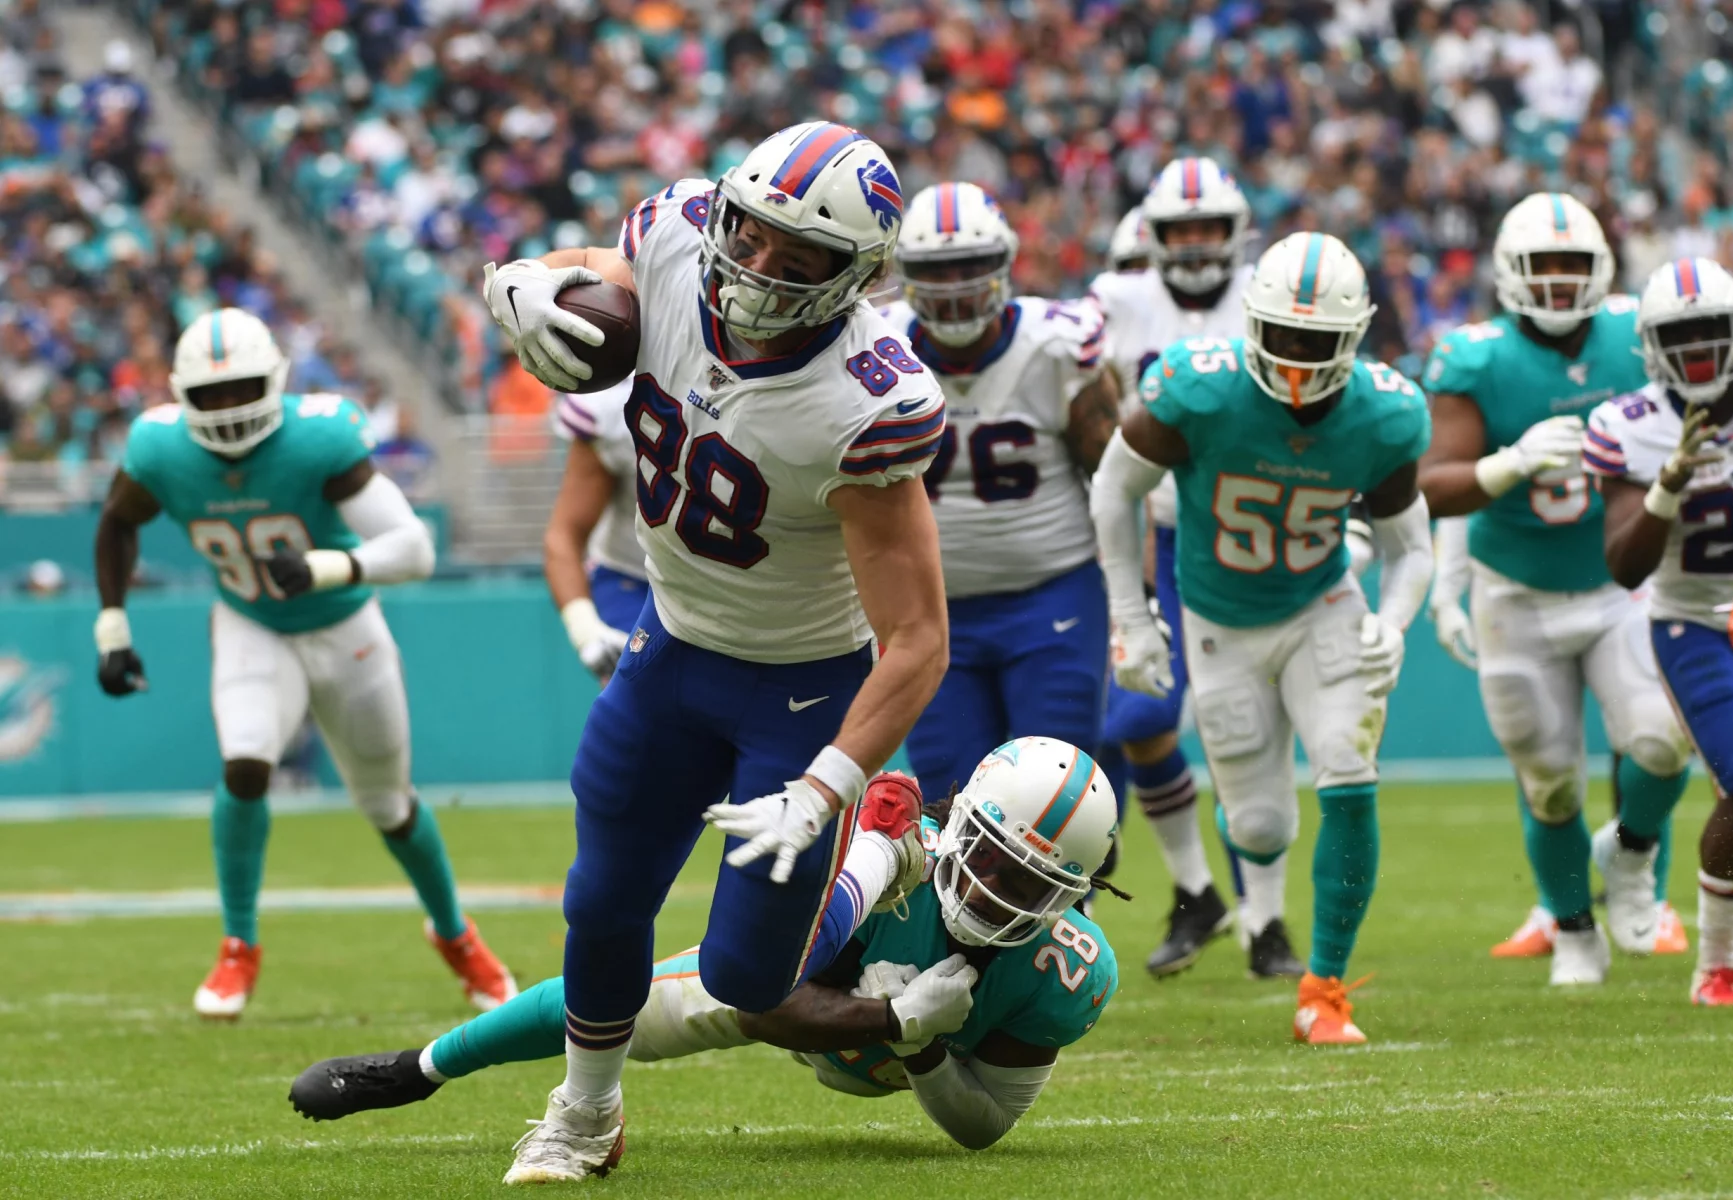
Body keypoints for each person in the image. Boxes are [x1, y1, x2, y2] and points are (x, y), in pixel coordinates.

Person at [484, 121, 949, 1183]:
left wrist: (831, 787)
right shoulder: (676, 232)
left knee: (750, 981)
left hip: (803, 690)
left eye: (803, 259)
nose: (760, 268)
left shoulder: (866, 400)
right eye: (754, 233)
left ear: (859, 278)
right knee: (602, 899)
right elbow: (593, 273)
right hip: (674, 647)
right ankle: (585, 1114)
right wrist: (522, 280)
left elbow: (919, 641)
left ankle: (882, 847)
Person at [289, 741, 1117, 1153]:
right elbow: (760, 1006)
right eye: (990, 862)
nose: (993, 895)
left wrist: (928, 1050)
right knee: (619, 1002)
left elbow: (984, 1128)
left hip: (893, 1061)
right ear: (957, 826)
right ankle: (415, 1069)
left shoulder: (1066, 970)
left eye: (1031, 887)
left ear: (1074, 895)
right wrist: (894, 1016)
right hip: (804, 1002)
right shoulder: (898, 860)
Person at [91, 307, 516, 1021]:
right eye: (211, 395)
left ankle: (455, 934)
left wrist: (326, 566)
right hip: (251, 622)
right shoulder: (160, 449)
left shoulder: (315, 437)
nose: (227, 408)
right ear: (182, 396)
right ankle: (238, 945)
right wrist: (111, 626)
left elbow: (413, 549)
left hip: (344, 624)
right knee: (246, 763)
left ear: (275, 382)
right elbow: (116, 523)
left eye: (242, 389)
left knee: (388, 804)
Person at [1091, 232, 1434, 1045]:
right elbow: (1114, 488)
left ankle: (1325, 990)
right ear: (1251, 323)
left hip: (1322, 605)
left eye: (1315, 342)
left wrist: (1394, 619)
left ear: (1353, 339)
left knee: (1349, 768)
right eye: (1281, 335)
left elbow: (1410, 545)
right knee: (1259, 828)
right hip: (1217, 620)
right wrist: (1132, 616)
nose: (1295, 358)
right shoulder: (1199, 389)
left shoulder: (1385, 413)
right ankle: (1248, 909)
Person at [1420, 192, 1692, 985]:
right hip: (1517, 590)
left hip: (1621, 583)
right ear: (1510, 273)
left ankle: (1632, 856)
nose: (1561, 281)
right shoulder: (1476, 357)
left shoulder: (1637, 338)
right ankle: (1574, 929)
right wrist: (1505, 465)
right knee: (1549, 781)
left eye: (1575, 264)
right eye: (1545, 266)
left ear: (1602, 266)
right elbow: (1431, 484)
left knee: (1662, 740)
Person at [1085, 158, 1281, 980]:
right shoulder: (1117, 302)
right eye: (1181, 230)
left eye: (1210, 229)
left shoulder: (1269, 295)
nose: (1198, 245)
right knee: (1133, 721)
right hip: (1163, 541)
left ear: (1237, 233)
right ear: (1153, 238)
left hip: (1258, 546)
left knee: (1252, 746)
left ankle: (1267, 926)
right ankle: (1199, 891)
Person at [1587, 257, 1733, 1006]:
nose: (1701, 347)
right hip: (1693, 623)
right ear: (1651, 344)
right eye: (1683, 333)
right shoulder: (1627, 427)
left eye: (1712, 328)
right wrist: (1668, 488)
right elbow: (1623, 563)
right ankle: (1718, 961)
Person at [883, 182, 1117, 817]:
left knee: (1054, 802)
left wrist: (1135, 596)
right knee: (952, 806)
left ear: (1003, 267)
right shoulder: (875, 350)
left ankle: (1072, 915)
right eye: (936, 271)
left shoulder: (1056, 345)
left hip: (1052, 597)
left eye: (970, 268)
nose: (955, 287)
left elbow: (1118, 480)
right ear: (907, 275)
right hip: (925, 611)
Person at [542, 378, 648, 677]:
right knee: (643, 705)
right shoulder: (618, 405)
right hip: (634, 580)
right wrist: (586, 631)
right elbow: (563, 536)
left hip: (745, 592)